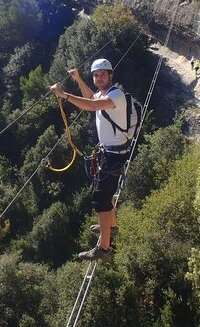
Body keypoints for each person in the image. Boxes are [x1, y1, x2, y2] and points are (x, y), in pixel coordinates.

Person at [49, 58, 128, 261]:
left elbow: (92, 106)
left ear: (111, 75)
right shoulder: (104, 94)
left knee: (100, 199)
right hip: (109, 153)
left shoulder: (116, 95)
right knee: (106, 192)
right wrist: (78, 80)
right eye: (95, 75)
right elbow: (91, 99)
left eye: (102, 74)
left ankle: (104, 249)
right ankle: (111, 226)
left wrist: (64, 95)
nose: (98, 77)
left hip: (114, 155)